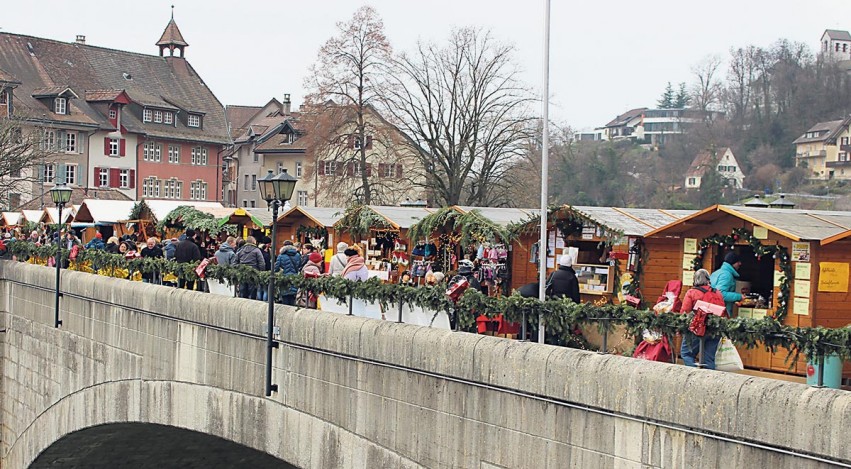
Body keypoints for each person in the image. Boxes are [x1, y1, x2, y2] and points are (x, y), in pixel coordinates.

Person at [679, 269, 728, 369]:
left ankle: (694, 377)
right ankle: (709, 380)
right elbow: (722, 309)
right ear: (708, 279)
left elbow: (685, 312)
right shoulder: (718, 292)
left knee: (686, 353)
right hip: (715, 330)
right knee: (709, 358)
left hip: (697, 328)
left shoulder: (691, 293)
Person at [711, 251, 744, 316]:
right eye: (738, 262)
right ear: (732, 263)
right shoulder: (726, 275)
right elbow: (721, 294)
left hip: (713, 310)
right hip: (721, 313)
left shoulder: (717, 273)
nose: (740, 264)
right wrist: (739, 296)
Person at [275, 241, 302, 305]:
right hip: (294, 278)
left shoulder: (281, 256)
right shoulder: (298, 255)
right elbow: (299, 265)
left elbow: (276, 268)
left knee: (285, 297)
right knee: (293, 296)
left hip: (284, 278)